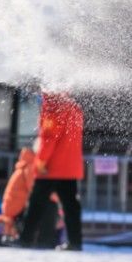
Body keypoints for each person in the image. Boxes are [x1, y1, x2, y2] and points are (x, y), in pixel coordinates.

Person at [18, 92, 84, 251]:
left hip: (51, 168)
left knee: (35, 204)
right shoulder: (74, 107)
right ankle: (75, 242)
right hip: (69, 167)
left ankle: (25, 239)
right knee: (71, 207)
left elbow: (48, 137)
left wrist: (40, 161)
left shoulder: (53, 106)